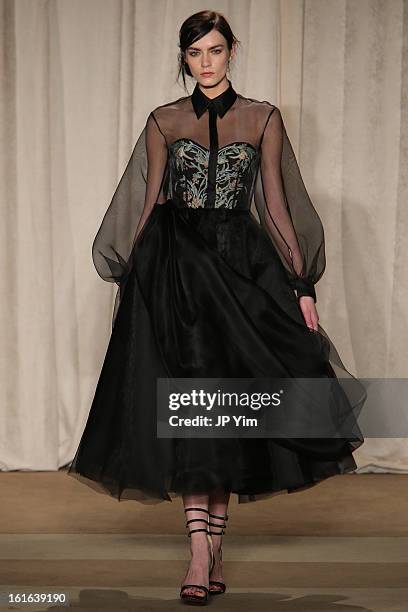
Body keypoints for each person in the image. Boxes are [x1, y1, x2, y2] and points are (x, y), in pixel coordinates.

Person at [68, 9, 366, 605]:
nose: (206, 63)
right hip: (174, 274)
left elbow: (276, 206)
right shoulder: (163, 120)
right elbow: (149, 203)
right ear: (184, 58)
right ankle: (199, 550)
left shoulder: (263, 119)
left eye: (216, 50)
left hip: (239, 273)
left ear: (233, 52)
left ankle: (213, 543)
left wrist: (302, 286)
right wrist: (135, 286)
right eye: (195, 53)